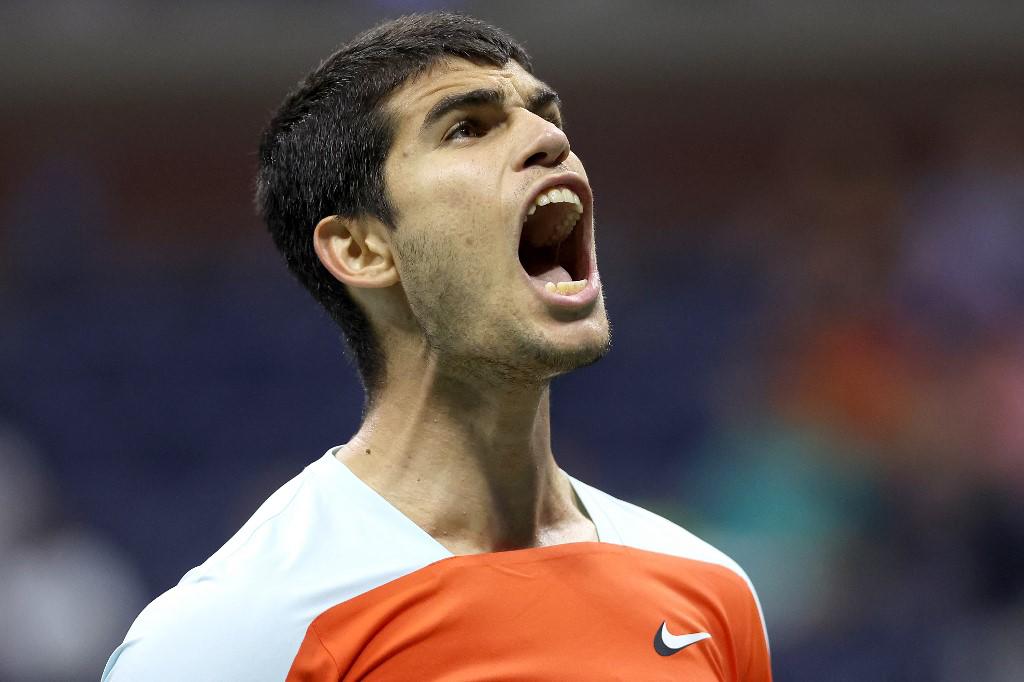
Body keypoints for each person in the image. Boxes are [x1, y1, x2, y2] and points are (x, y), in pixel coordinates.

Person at [102, 12, 771, 681]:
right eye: (467, 127)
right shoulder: (232, 635)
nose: (548, 140)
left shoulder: (710, 590)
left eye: (546, 115)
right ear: (362, 249)